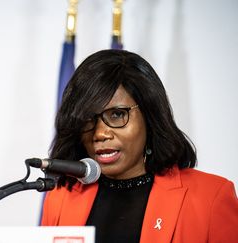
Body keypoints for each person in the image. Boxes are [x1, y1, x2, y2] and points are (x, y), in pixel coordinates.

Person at [40, 49, 238, 243]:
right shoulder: (60, 198)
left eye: (117, 114)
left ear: (149, 115)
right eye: (88, 118)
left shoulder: (211, 198)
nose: (100, 133)